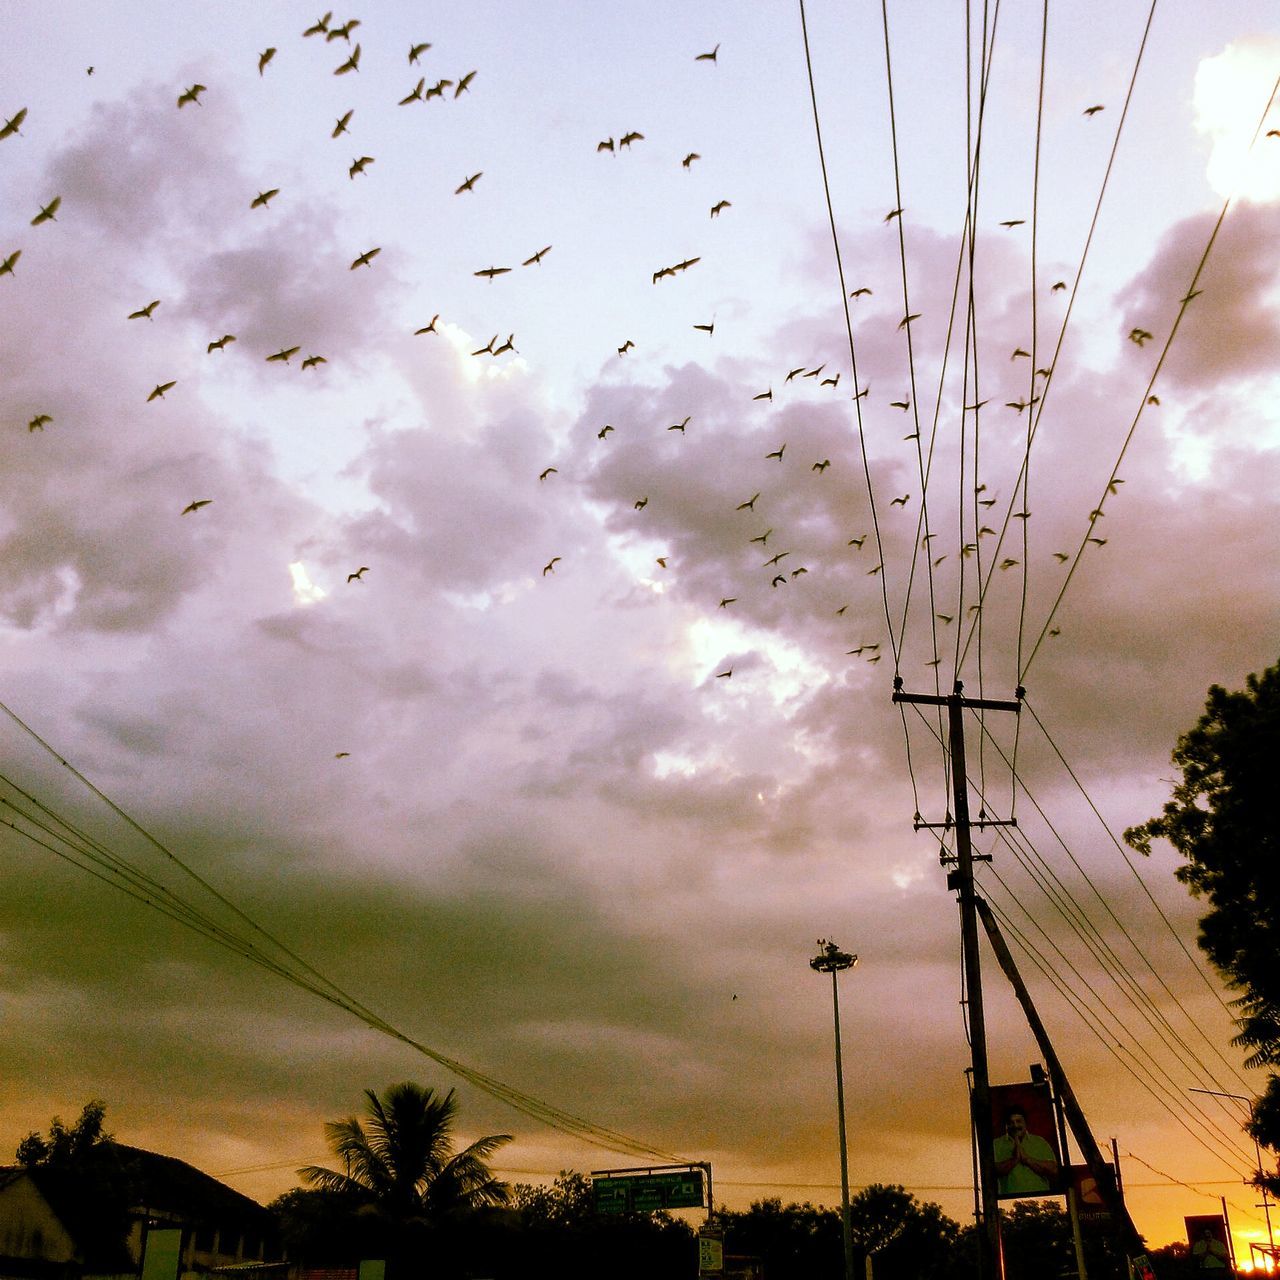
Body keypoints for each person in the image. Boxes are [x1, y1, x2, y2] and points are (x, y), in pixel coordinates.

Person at [993, 1106, 1058, 1195]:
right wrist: (1014, 1160)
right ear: (1006, 1125)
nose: (1015, 1125)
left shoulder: (1039, 1142)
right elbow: (992, 1172)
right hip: (1009, 1201)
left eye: (1019, 1121)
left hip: (1041, 1199)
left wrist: (1027, 1160)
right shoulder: (996, 1144)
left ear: (1025, 1123)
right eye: (1011, 1123)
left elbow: (1053, 1169)